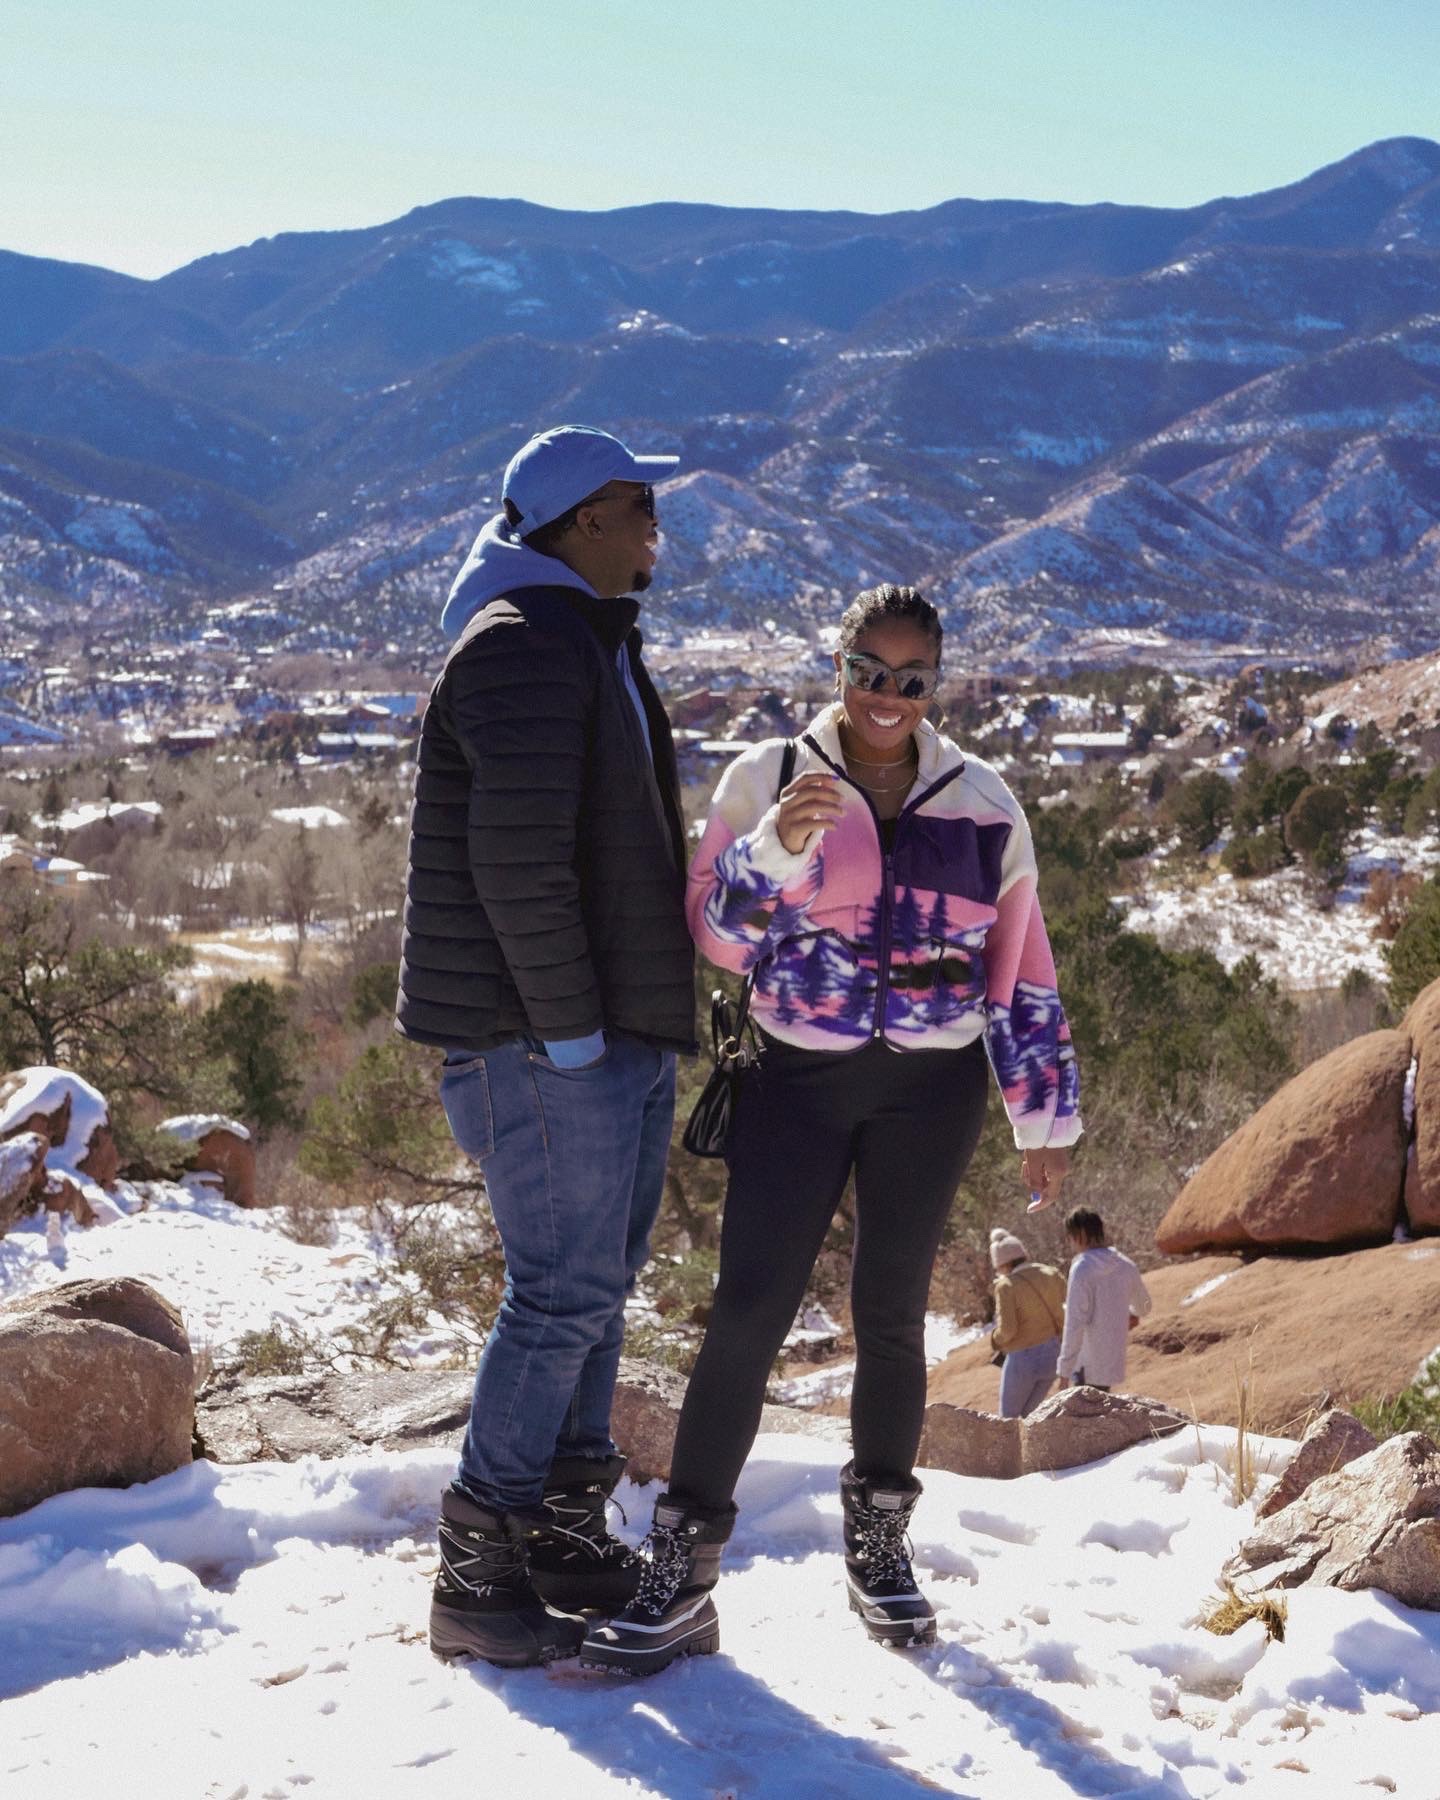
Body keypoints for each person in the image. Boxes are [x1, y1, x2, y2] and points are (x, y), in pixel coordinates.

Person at [581, 583, 1083, 1675]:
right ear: (839, 662)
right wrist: (770, 851)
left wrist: (1040, 1115)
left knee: (891, 1316)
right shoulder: (765, 780)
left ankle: (879, 1546)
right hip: (796, 1084)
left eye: (910, 679)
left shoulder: (985, 802)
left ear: (935, 685)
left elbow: (1021, 970)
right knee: (749, 1315)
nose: (886, 696)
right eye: (869, 670)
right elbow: (714, 940)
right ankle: (682, 1567)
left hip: (931, 1089)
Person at [395, 424, 697, 1668]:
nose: (653, 529)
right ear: (580, 522)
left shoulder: (576, 637)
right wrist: (573, 1039)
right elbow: (516, 869)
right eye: (637, 508)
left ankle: (564, 1530)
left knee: (594, 1289)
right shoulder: (523, 647)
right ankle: (478, 1568)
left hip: (600, 1035)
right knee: (560, 1292)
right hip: (540, 1044)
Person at [1055, 1207, 1152, 1392]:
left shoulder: (1082, 1268)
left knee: (1084, 1417)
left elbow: (1075, 1323)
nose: (1070, 1241)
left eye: (1070, 1235)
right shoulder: (1125, 1265)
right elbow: (1145, 1307)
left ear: (1080, 1234)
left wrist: (1064, 1371)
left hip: (1086, 1362)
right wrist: (1129, 1312)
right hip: (1111, 1362)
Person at [988, 1226, 1066, 1418]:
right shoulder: (1051, 1273)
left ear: (1002, 1263)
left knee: (1009, 1421)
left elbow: (1008, 1330)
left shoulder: (1006, 1286)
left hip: (1022, 1360)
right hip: (1053, 1354)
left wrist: (995, 1341)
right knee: (1030, 1417)